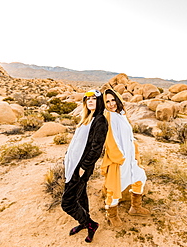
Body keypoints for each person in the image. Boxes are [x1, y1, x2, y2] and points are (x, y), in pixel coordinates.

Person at [61, 89, 108, 243]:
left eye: (94, 99)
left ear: (99, 101)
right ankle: (83, 222)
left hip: (80, 168)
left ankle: (91, 224)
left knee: (67, 203)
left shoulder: (100, 120)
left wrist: (84, 167)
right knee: (81, 195)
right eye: (88, 99)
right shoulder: (87, 118)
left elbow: (96, 148)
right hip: (72, 164)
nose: (90, 101)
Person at [101, 88, 150, 227]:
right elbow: (110, 139)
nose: (111, 104)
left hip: (130, 157)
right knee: (115, 189)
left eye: (113, 100)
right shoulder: (108, 116)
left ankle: (135, 207)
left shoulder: (121, 114)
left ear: (117, 99)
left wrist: (134, 153)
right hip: (119, 159)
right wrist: (120, 158)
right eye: (107, 101)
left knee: (140, 177)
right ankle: (111, 215)